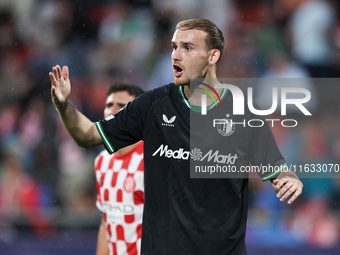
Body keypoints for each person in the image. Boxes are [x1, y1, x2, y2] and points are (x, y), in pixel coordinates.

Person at [49, 19, 303, 254]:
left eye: (188, 47)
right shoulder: (152, 105)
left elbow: (277, 170)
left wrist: (290, 180)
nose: (176, 55)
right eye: (174, 47)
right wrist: (64, 105)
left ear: (213, 56)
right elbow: (88, 135)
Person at [94, 81, 144, 255]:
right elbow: (106, 221)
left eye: (121, 106)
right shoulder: (101, 161)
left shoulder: (152, 159)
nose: (112, 111)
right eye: (109, 105)